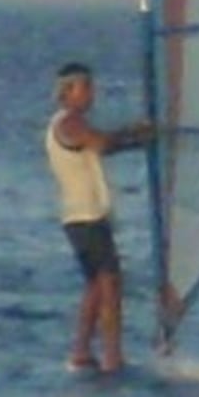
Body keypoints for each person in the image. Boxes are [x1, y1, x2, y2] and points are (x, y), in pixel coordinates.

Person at [44, 62, 152, 373]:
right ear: (68, 91)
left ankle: (81, 353)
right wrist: (135, 133)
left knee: (95, 284)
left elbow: (103, 145)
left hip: (83, 216)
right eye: (86, 87)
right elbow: (102, 143)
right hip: (85, 216)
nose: (92, 94)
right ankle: (112, 358)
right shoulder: (68, 123)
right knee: (110, 283)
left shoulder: (73, 124)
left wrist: (137, 138)